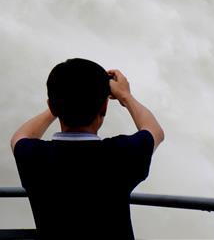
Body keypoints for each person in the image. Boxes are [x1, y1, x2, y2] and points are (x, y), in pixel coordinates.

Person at [10, 58, 164, 240]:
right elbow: (155, 130)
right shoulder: (121, 155)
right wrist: (125, 96)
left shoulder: (34, 157)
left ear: (51, 105)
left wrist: (60, 103)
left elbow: (19, 136)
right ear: (104, 107)